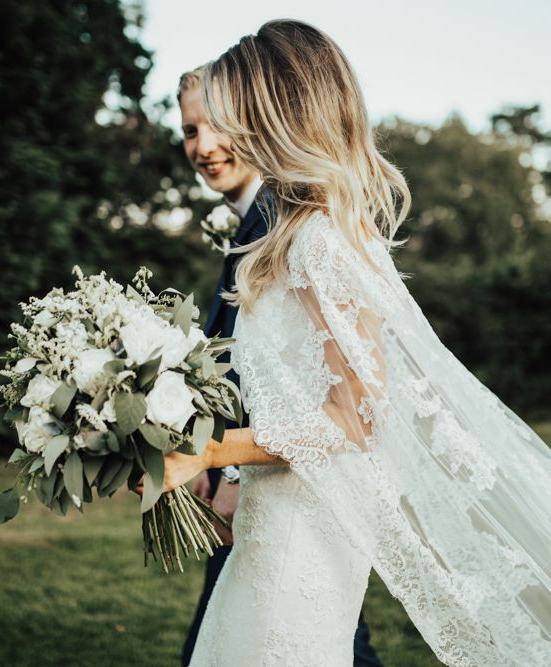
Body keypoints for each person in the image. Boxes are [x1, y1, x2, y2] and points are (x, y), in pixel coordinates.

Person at [164, 20, 551, 667]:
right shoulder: (285, 237)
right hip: (265, 523)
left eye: (231, 109)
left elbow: (356, 413)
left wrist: (212, 449)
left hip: (300, 543)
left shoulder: (320, 238)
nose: (219, 129)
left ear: (272, 111)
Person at [177, 65, 383, 667]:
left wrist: (223, 465)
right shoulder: (261, 224)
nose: (205, 144)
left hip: (285, 486)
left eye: (218, 124)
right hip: (268, 485)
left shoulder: (301, 227)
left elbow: (353, 405)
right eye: (190, 130)